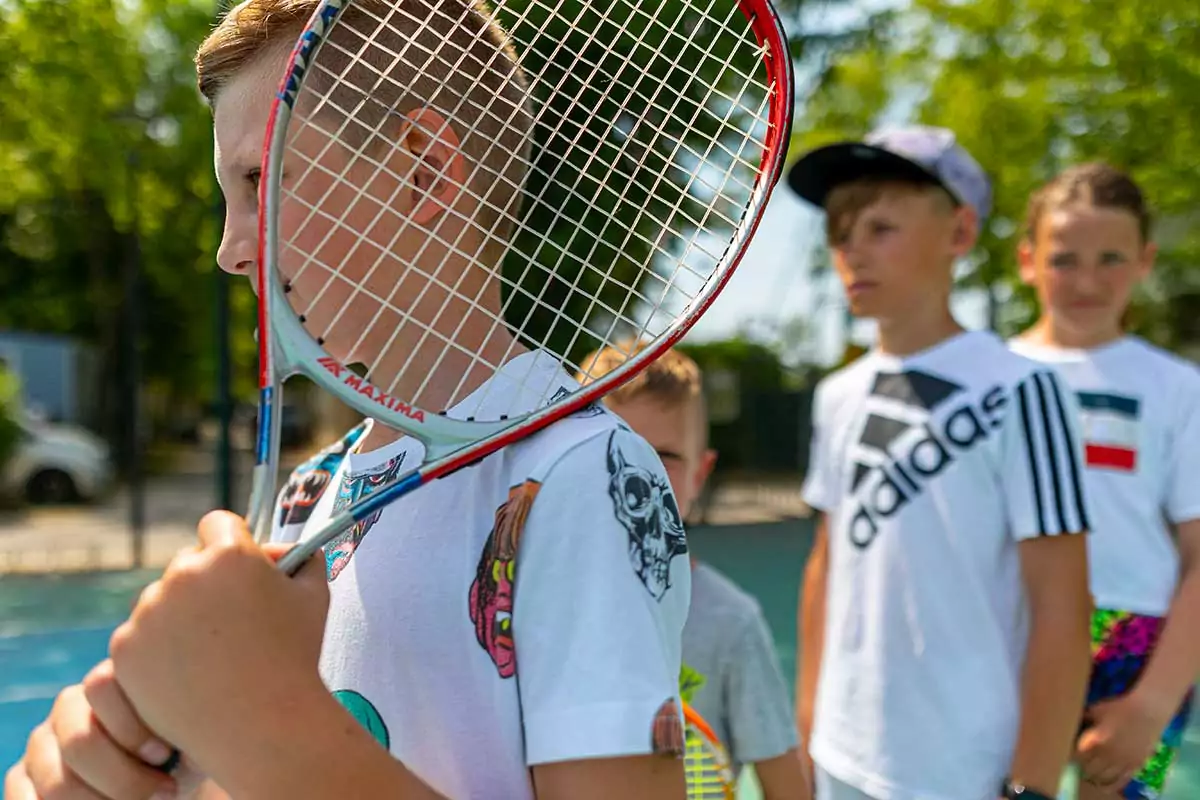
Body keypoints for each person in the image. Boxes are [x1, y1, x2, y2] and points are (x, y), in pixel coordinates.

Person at [4, 2, 692, 799]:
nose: (230, 248)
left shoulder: (585, 475)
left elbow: (290, 748)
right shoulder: (308, 492)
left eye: (259, 181)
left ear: (427, 168)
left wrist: (265, 723)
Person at [787, 125, 1095, 800]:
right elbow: (826, 561)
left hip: (966, 771)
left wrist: (1035, 784)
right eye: (840, 233)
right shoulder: (837, 396)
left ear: (958, 232)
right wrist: (808, 725)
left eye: (880, 227)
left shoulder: (1022, 390)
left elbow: (1063, 607)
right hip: (841, 758)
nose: (852, 251)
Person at [1009, 162, 1200, 800]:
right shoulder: (989, 377)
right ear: (1027, 259)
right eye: (1064, 259)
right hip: (1006, 631)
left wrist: (1152, 704)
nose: (1087, 281)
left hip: (1134, 645)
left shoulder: (1179, 388)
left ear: (1145, 260)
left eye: (1111, 258)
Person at [578, 341, 811, 800]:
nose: (636, 475)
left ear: (700, 474)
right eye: (614, 449)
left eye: (663, 456)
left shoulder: (733, 624)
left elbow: (788, 786)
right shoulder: (530, 610)